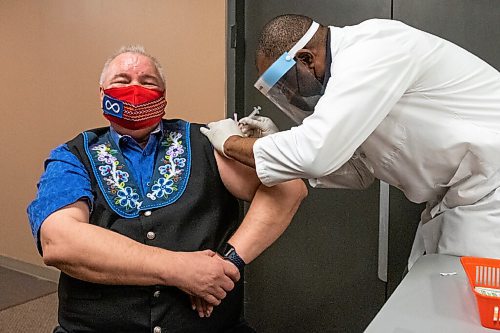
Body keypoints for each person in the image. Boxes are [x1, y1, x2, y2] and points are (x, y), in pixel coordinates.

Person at [27, 45, 307, 333]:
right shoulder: (72, 156)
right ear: (102, 94)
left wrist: (228, 263)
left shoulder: (206, 142)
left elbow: (289, 189)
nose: (135, 89)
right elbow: (59, 241)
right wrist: (181, 270)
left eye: (148, 82)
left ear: (163, 97)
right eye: (122, 81)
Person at [201, 14, 500, 270]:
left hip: (489, 191)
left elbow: (315, 155)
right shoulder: (350, 78)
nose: (289, 96)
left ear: (306, 59)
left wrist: (230, 143)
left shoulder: (371, 52)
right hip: (460, 198)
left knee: (467, 307)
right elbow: (359, 170)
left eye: (285, 84)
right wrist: (277, 141)